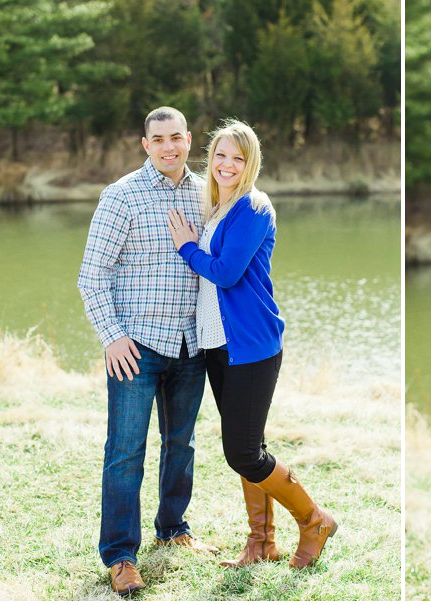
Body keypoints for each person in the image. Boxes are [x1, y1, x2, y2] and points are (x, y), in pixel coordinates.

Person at [166, 119, 337, 570]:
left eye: (237, 158)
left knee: (241, 451)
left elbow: (225, 272)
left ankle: (314, 519)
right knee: (250, 443)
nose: (226, 164)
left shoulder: (254, 208)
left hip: (252, 345)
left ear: (250, 163)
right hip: (218, 344)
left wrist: (186, 247)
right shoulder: (218, 206)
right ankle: (261, 543)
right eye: (220, 155)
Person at [78, 107, 218, 596]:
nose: (169, 147)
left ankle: (174, 529)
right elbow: (92, 275)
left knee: (181, 446)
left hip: (192, 344)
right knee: (124, 452)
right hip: (135, 347)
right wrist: (112, 336)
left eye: (176, 137)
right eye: (158, 139)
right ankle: (120, 555)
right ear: (145, 144)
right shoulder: (121, 197)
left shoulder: (208, 194)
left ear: (188, 140)